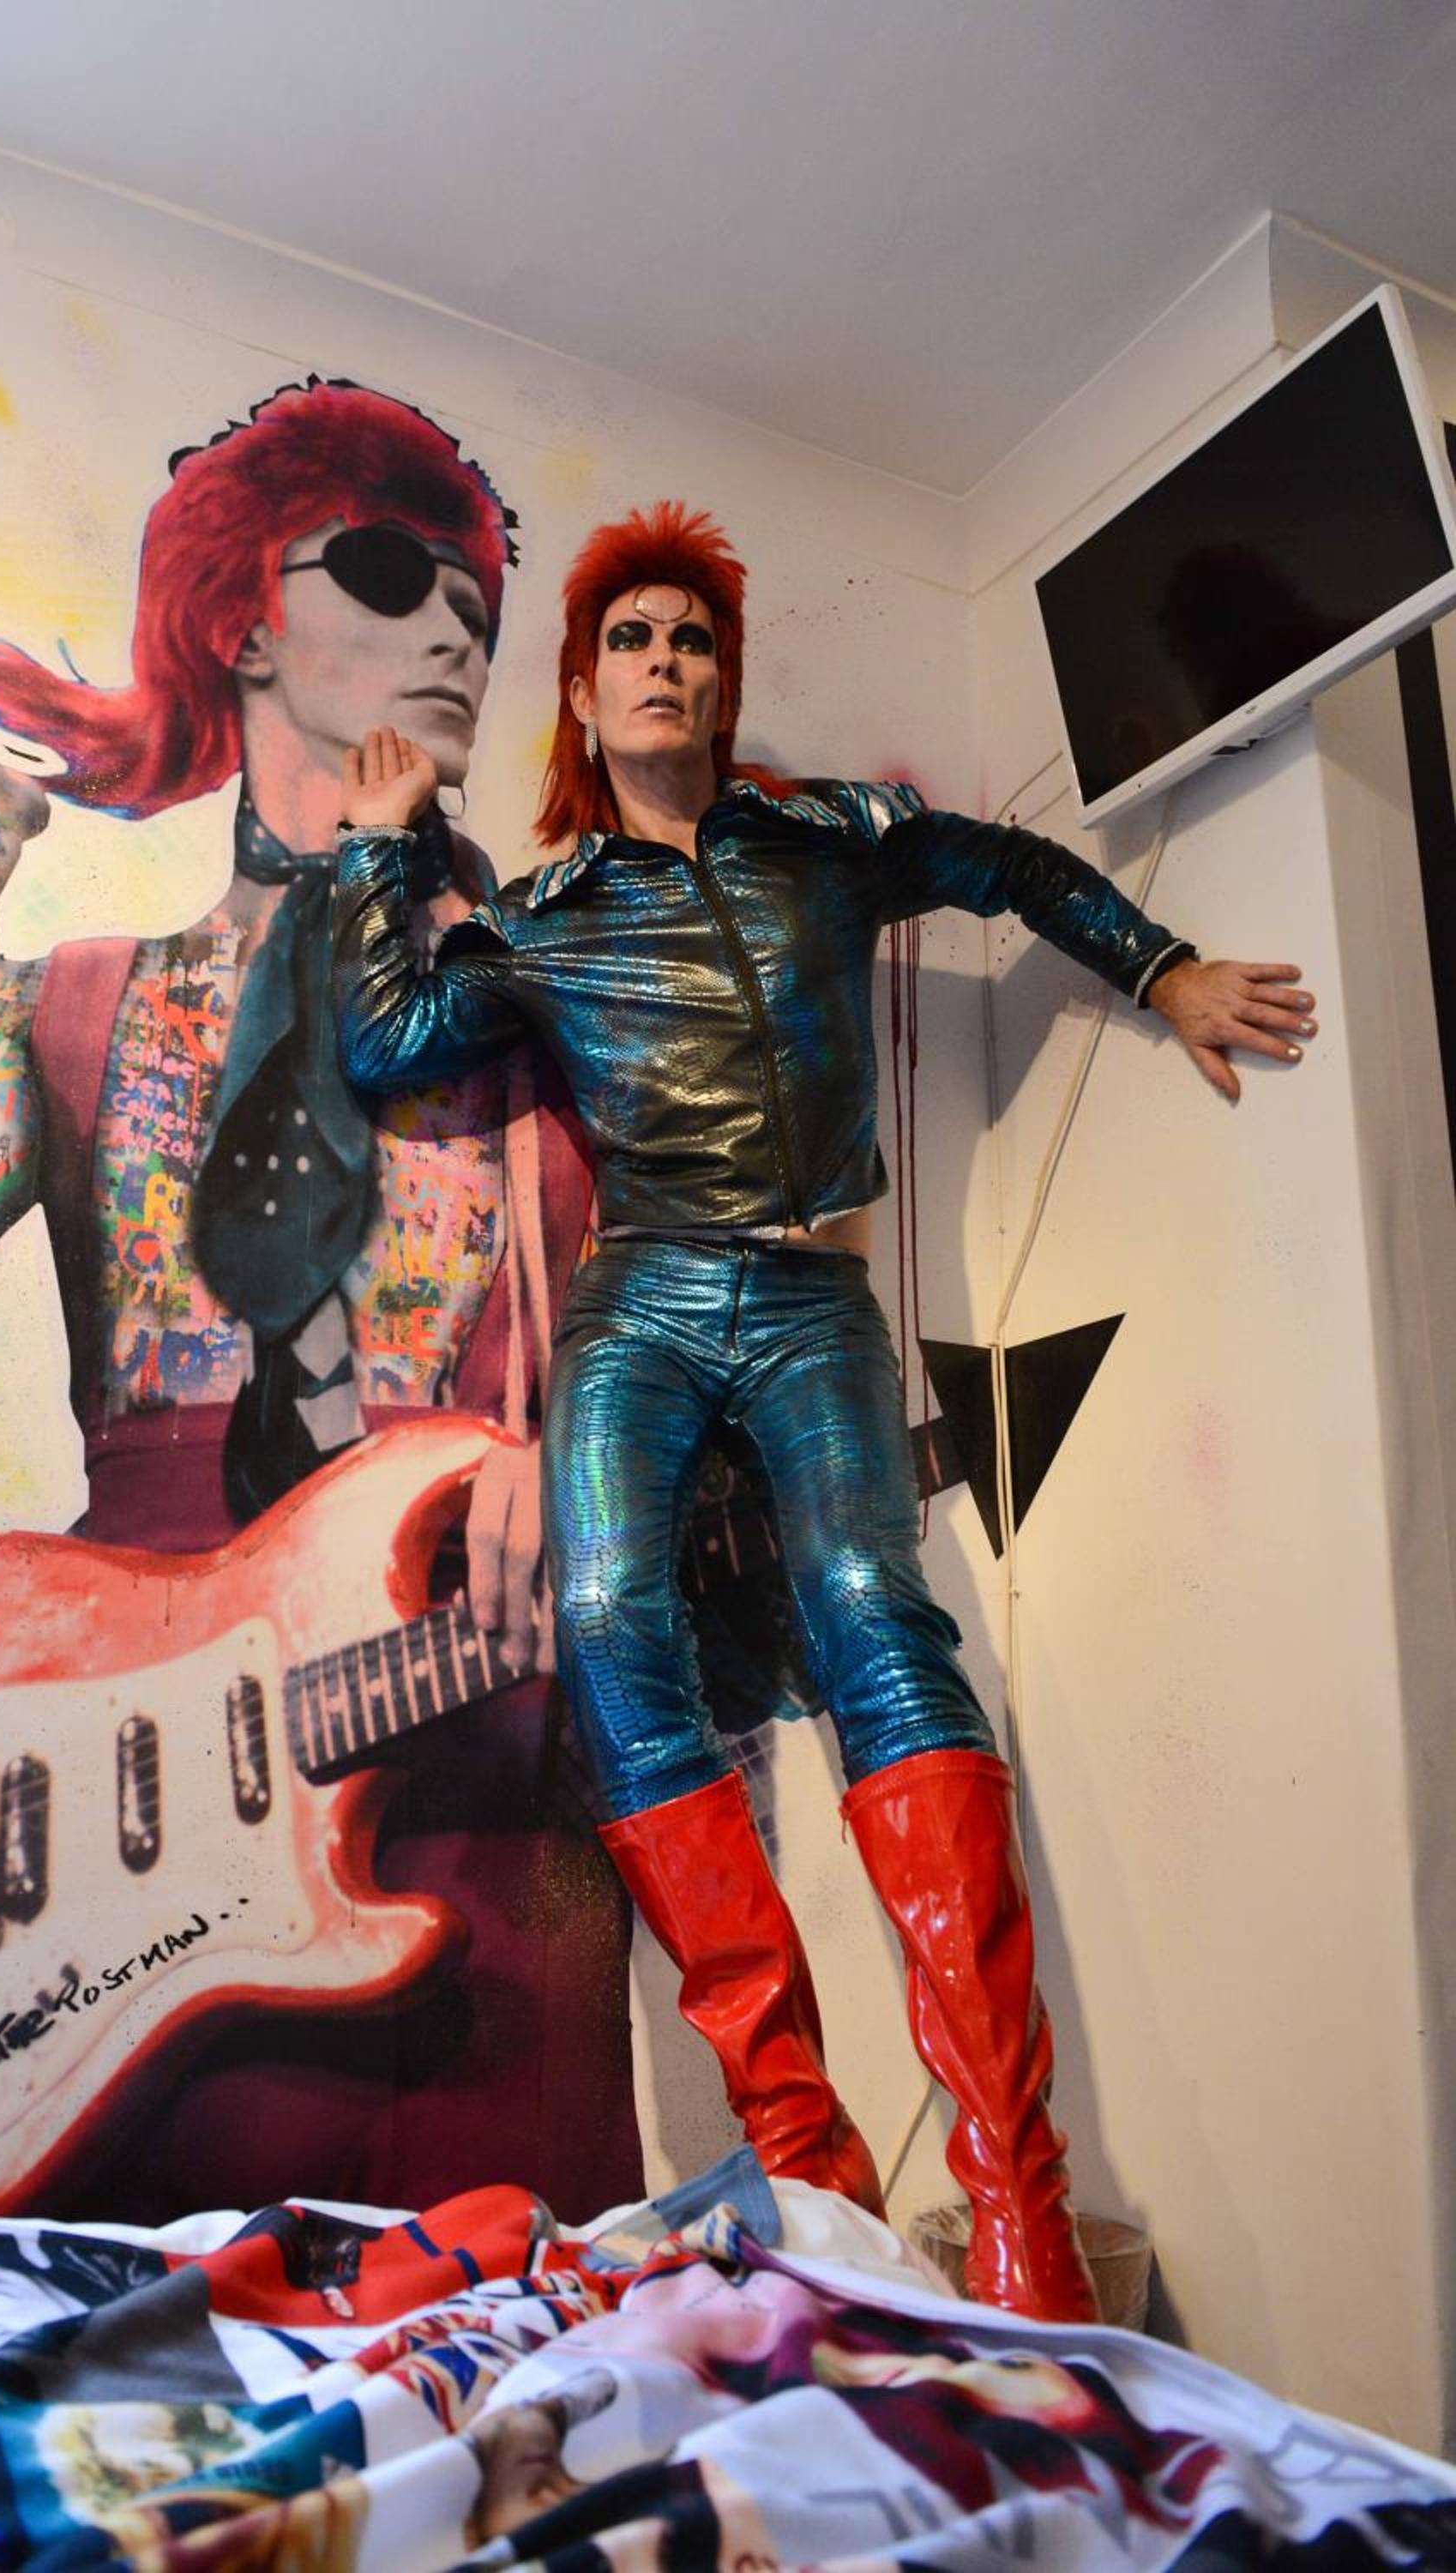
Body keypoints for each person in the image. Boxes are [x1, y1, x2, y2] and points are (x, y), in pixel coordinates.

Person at [331, 501, 1316, 2320]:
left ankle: (1020, 2201)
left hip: (808, 1297)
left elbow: (1011, 868)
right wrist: (380, 854)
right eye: (631, 641)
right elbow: (386, 1044)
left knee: (871, 1604)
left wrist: (1163, 968)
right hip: (640, 1300)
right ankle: (807, 2156)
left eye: (692, 640)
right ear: (584, 692)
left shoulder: (829, 841)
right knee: (612, 1622)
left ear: (723, 686)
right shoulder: (548, 917)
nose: (665, 664)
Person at [0, 382, 644, 2221]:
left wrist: (587, 1442)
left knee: (500, 2367)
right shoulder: (84, 1001)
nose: (453, 633)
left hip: (488, 1815)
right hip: (135, 1841)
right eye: (391, 573)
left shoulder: (561, 1033)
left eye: (476, 606)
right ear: (243, 620)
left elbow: (717, 1337)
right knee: (137, 2366)